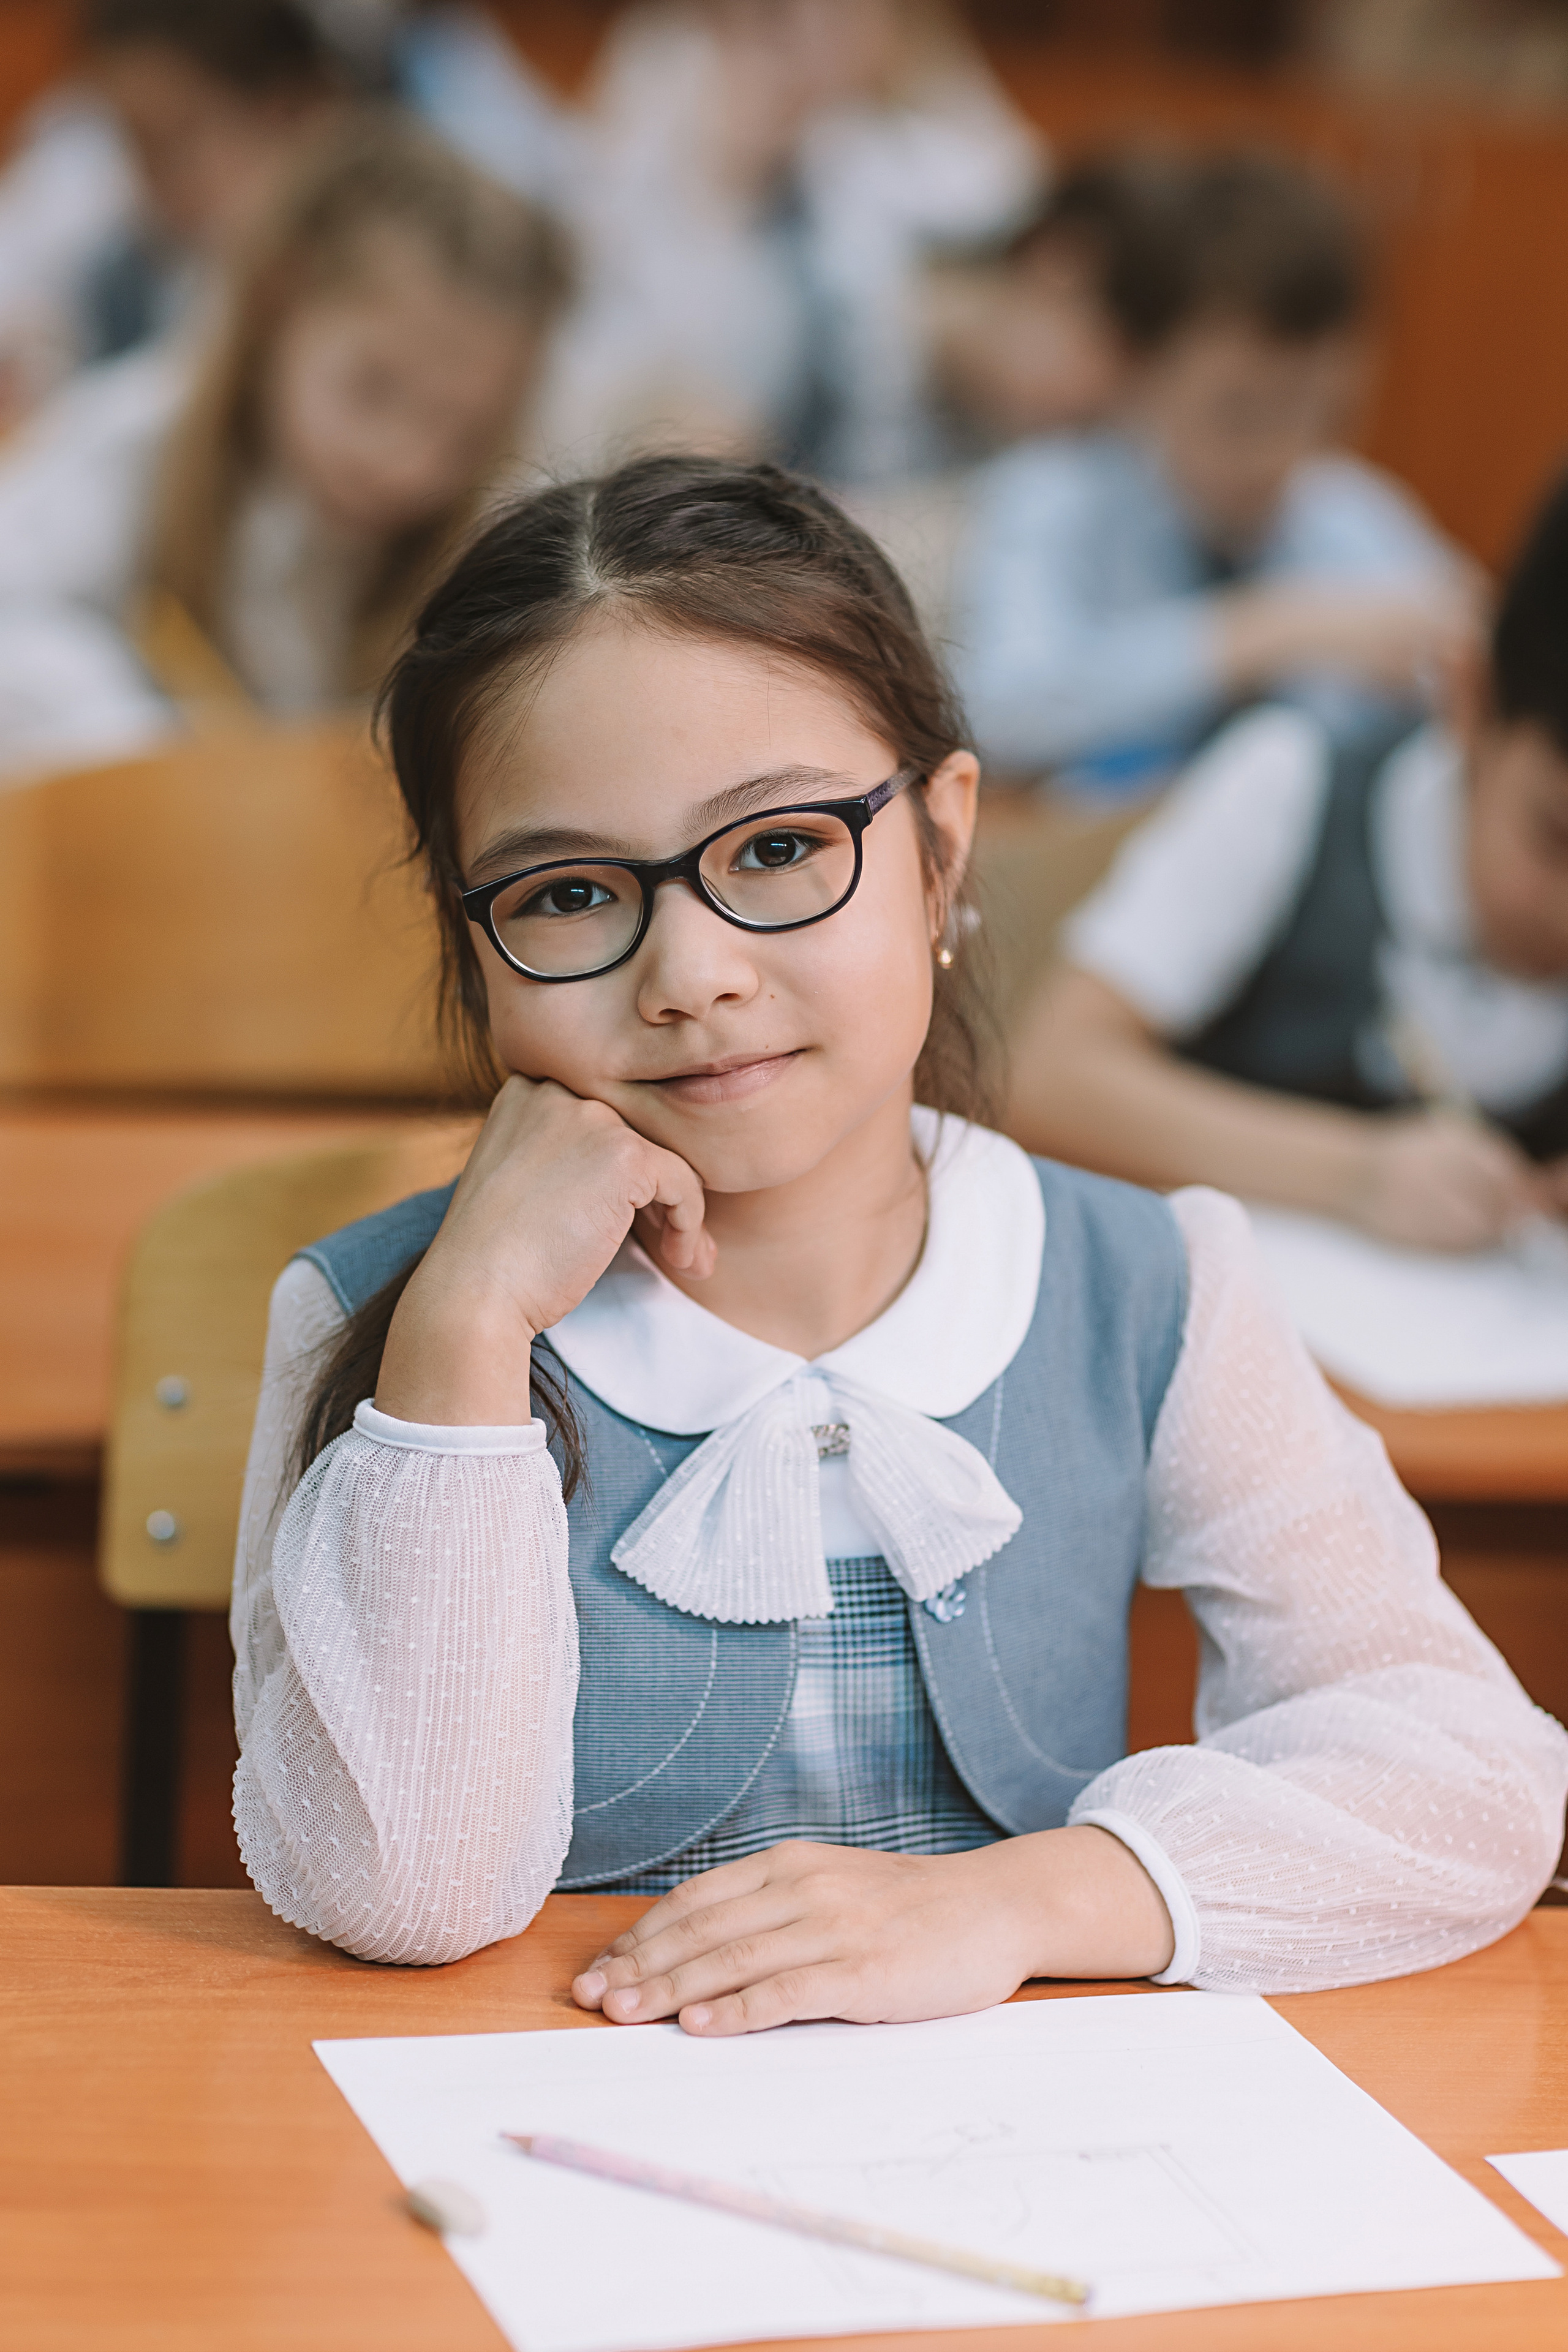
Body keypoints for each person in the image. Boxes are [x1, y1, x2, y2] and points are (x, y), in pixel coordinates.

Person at [228, 453, 1565, 2017]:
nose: (690, 971)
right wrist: (462, 1336)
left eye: (779, 848)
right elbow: (407, 1888)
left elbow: (1475, 1769)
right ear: (473, 940)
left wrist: (1022, 1899)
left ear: (938, 843)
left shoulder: (1145, 1284)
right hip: (531, 2165)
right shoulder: (380, 1317)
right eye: (572, 890)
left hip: (1007, 2174)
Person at [1008, 467, 1568, 1254]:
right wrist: (1355, 1173)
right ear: (1471, 698)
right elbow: (1049, 1074)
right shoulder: (1296, 784)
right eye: (1553, 837)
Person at [0, 114, 568, 780]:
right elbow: (18, 617)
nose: (406, 460)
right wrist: (150, 746)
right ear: (280, 303)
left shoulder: (491, 529)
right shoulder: (133, 440)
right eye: (373, 391)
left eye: (462, 430)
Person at [953, 149, 1471, 797]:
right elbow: (999, 712)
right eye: (1239, 414)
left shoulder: (1344, 509)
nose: (1283, 453)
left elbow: (1467, 650)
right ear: (1136, 367)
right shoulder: (1051, 497)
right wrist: (1260, 633)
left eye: (1326, 415)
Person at [537, 0, 1041, 483]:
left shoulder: (891, 149)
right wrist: (730, 185)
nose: (810, 40)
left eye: (841, 14)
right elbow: (607, 296)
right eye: (776, 18)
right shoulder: (670, 77)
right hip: (663, 409)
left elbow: (1007, 196)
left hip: (870, 460)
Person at [0, 1, 578, 421]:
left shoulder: (437, 256)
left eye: (167, 144)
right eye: (127, 146)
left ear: (297, 115)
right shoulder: (128, 269)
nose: (142, 183)